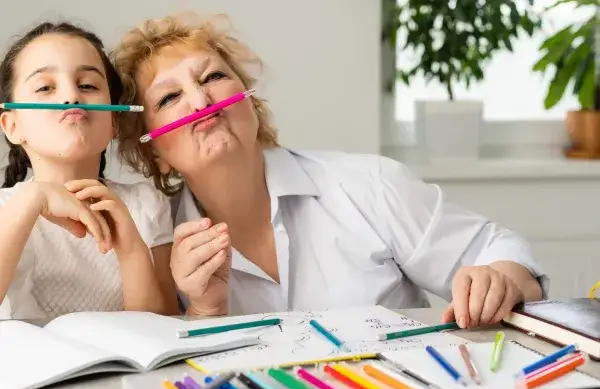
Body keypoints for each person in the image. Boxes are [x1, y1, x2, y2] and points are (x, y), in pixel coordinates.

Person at [111, 13, 547, 328]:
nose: (201, 101)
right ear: (155, 155)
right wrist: (201, 312)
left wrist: (500, 279)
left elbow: (499, 249)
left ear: (251, 103)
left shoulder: (371, 185)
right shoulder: (156, 247)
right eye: (169, 98)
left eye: (212, 77)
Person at [0, 22, 180, 319]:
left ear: (113, 121)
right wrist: (33, 199)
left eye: (88, 85)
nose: (71, 97)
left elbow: (164, 326)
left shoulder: (146, 205)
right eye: (45, 87)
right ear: (13, 126)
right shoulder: (6, 207)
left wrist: (132, 250)